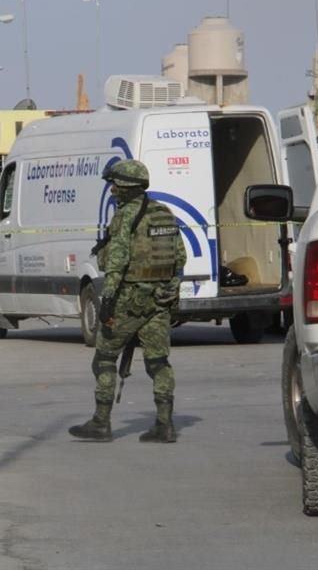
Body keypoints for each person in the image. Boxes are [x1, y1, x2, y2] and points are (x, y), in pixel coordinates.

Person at [68, 159, 186, 443]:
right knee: (158, 361)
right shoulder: (164, 213)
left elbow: (117, 261)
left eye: (115, 186)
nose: (112, 191)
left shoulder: (125, 216)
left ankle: (100, 423)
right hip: (160, 300)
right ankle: (164, 424)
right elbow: (180, 257)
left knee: (105, 359)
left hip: (129, 299)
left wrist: (107, 299)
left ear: (125, 187)